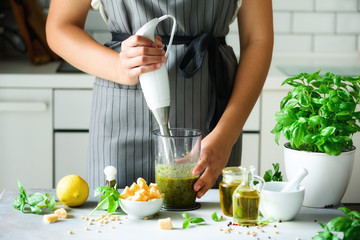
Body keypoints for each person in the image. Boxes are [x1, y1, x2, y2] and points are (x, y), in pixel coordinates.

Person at [46, 0, 273, 199]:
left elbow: (258, 38)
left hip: (212, 120)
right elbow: (60, 26)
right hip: (122, 112)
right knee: (114, 223)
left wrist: (226, 135)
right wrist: (117, 66)